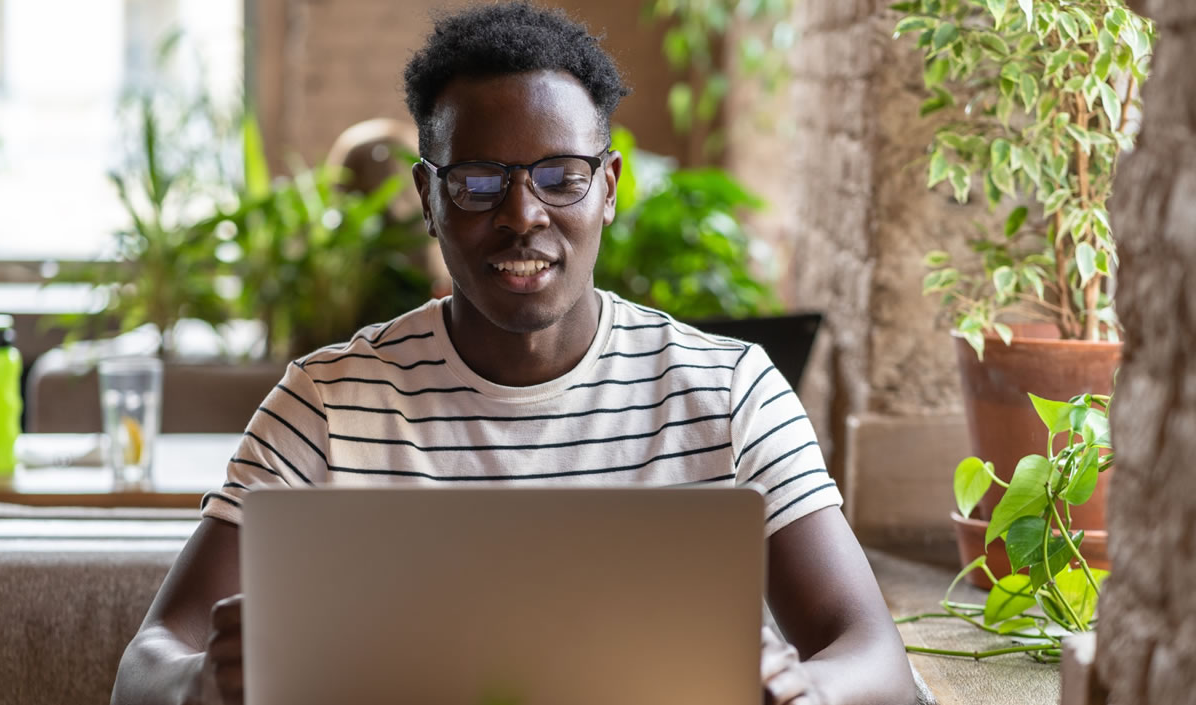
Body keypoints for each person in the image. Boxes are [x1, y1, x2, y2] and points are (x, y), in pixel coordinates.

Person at [110, 4, 917, 705]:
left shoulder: (729, 391)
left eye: (560, 176)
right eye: (480, 181)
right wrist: (200, 686)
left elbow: (873, 654)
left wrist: (809, 690)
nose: (523, 214)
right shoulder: (326, 402)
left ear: (608, 188)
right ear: (429, 198)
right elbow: (142, 669)